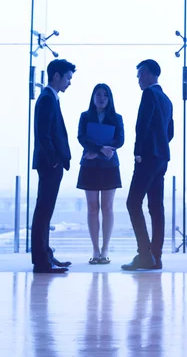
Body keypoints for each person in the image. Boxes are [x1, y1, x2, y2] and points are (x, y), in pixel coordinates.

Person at [122, 59, 174, 271]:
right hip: (162, 157)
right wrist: (160, 146)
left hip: (147, 156)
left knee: (133, 203)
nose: (139, 79)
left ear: (151, 74)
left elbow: (142, 125)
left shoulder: (149, 95)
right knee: (156, 207)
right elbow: (170, 131)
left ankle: (144, 254)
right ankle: (156, 256)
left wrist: (138, 151)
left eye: (141, 75)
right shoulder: (167, 99)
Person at [31, 58, 76, 274]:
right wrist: (54, 160)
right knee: (43, 211)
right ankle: (41, 261)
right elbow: (44, 134)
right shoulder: (48, 98)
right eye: (67, 78)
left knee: (45, 211)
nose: (69, 82)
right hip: (50, 164)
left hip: (51, 163)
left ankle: (45, 256)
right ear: (56, 76)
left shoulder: (51, 97)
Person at [77, 83, 124, 265]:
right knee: (92, 208)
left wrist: (102, 150)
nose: (102, 98)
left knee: (107, 207)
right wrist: (99, 150)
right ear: (93, 97)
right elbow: (81, 137)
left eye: (105, 95)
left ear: (109, 98)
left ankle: (105, 249)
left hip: (109, 165)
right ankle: (95, 250)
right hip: (89, 164)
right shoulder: (85, 116)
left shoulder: (116, 117)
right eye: (98, 94)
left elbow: (120, 139)